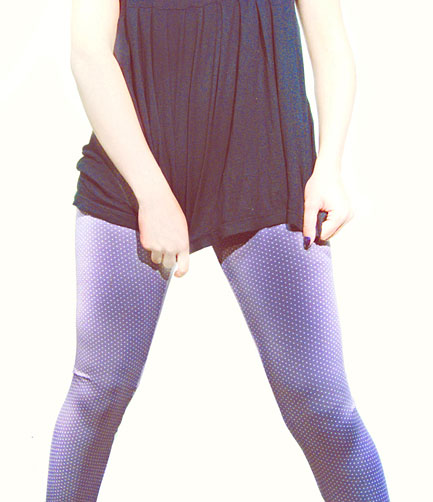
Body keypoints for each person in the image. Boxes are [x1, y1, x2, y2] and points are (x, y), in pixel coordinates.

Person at [45, 0, 391, 500]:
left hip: (269, 169)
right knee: (97, 394)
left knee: (323, 409)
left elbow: (331, 43)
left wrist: (330, 167)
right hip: (132, 172)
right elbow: (88, 53)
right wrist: (152, 193)